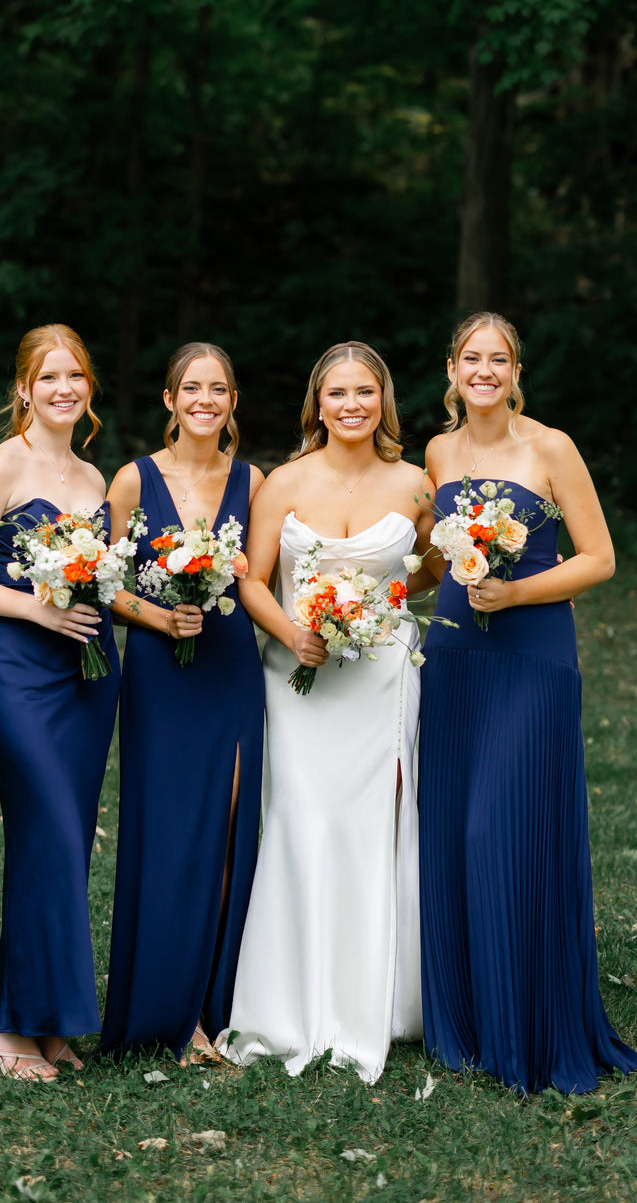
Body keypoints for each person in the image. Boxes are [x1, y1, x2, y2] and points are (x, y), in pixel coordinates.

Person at [417, 310, 637, 1094]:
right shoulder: (439, 451)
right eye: (471, 358)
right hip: (452, 654)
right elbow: (429, 556)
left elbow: (600, 558)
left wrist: (514, 594)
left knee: (496, 827)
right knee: (450, 833)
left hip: (531, 656)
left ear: (517, 372)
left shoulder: (550, 448)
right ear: (451, 369)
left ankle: (530, 1022)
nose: (484, 370)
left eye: (499, 359)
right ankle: (467, 1021)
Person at [219, 341, 435, 1084]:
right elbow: (250, 578)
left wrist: (380, 615)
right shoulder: (284, 482)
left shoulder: (416, 483)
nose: (351, 406)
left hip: (379, 683)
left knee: (373, 830)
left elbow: (430, 568)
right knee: (302, 822)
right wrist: (294, 634)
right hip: (297, 680)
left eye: (364, 393)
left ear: (384, 401)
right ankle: (290, 1007)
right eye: (337, 393)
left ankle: (378, 1004)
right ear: (317, 403)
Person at [0, 324, 119, 1080]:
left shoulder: (94, 477)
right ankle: (8, 1024)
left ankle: (47, 1024)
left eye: (75, 375)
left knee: (68, 843)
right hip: (19, 669)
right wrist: (34, 609)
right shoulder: (1, 467)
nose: (63, 389)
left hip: (88, 674)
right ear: (24, 389)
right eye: (49, 377)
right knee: (43, 826)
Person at [100, 343, 265, 1064]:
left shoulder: (253, 480)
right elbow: (102, 581)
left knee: (229, 832)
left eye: (218, 389)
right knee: (167, 834)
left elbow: (261, 577)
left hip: (230, 666)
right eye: (191, 388)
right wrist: (160, 616)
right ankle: (164, 1011)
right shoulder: (133, 480)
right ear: (169, 400)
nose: (205, 400)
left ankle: (216, 1007)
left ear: (233, 402)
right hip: (161, 674)